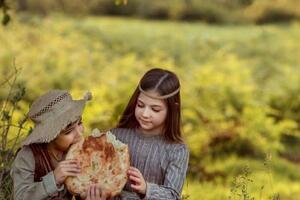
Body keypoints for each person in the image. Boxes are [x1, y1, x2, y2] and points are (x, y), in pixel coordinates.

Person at [110, 68, 189, 199]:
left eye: (155, 109)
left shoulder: (177, 150)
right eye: (140, 105)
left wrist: (146, 188)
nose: (145, 114)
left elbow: (173, 196)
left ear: (172, 110)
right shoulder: (115, 137)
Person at [11, 90, 106, 200]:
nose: (79, 133)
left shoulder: (80, 153)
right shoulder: (28, 156)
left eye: (79, 123)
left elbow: (80, 190)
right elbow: (20, 197)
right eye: (68, 132)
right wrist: (54, 179)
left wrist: (87, 196)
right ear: (51, 136)